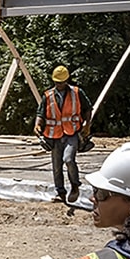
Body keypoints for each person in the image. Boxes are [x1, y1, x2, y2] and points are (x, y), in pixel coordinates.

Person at [34, 66, 93, 204]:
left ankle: (75, 185)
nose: (58, 85)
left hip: (71, 133)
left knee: (68, 159)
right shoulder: (48, 95)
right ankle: (60, 192)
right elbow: (40, 113)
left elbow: (88, 109)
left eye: (61, 82)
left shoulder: (77, 93)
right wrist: (37, 125)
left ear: (66, 80)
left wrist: (87, 124)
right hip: (55, 135)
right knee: (56, 166)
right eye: (56, 82)